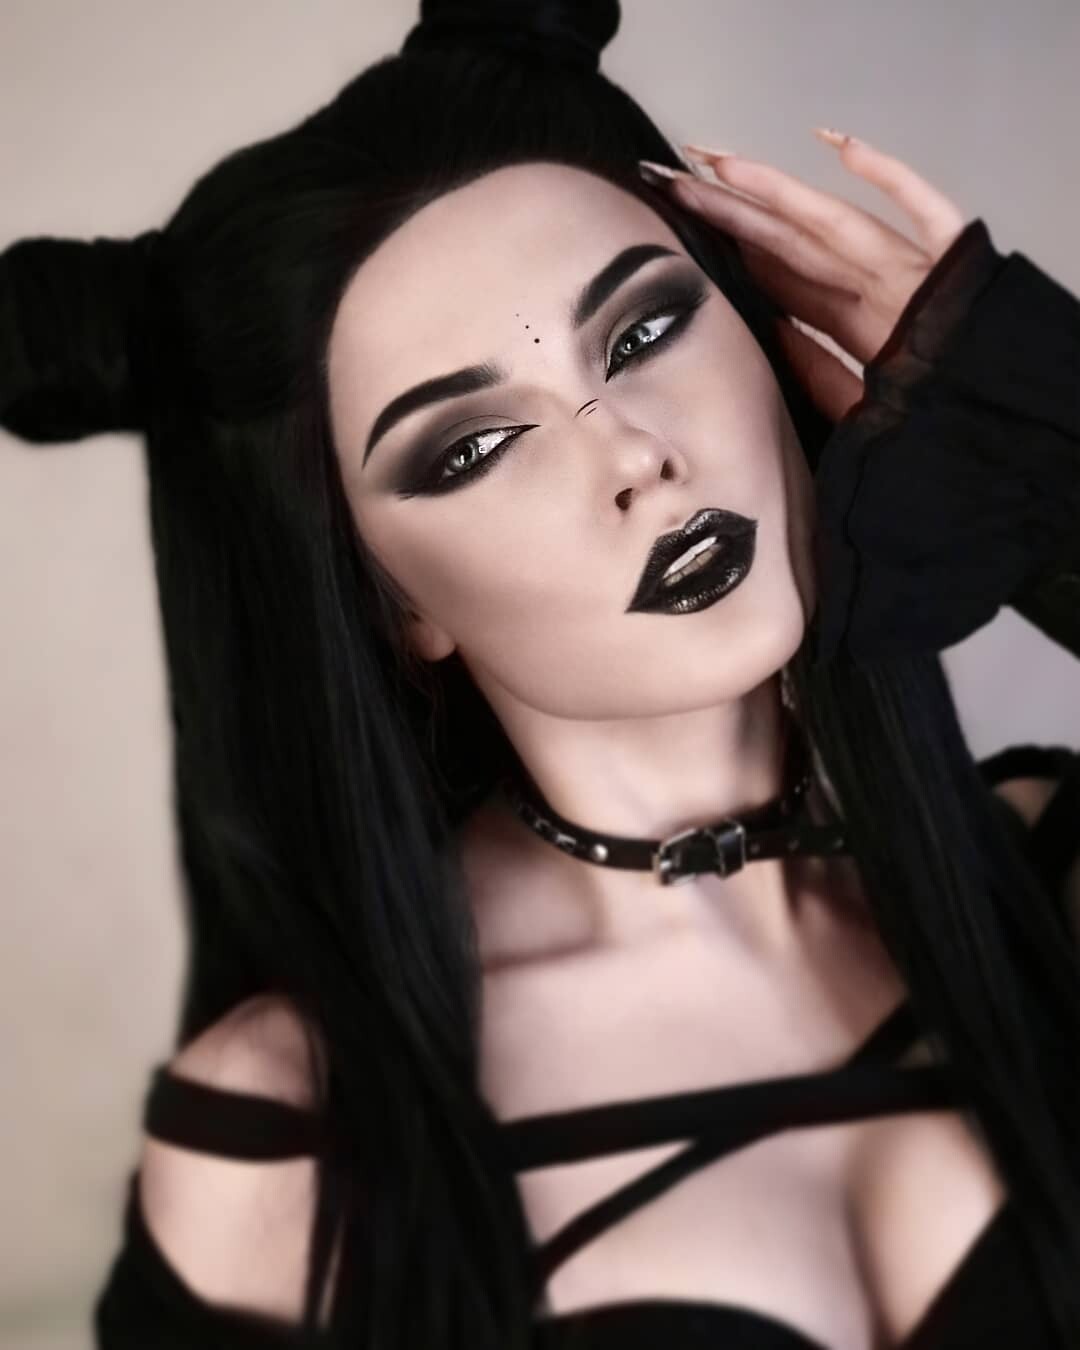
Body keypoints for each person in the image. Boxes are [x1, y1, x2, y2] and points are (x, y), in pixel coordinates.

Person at [3, 2, 1079, 1347]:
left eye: (643, 332)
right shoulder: (294, 1140)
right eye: (470, 448)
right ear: (397, 601)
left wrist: (1058, 441)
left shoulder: (1041, 875)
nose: (631, 454)